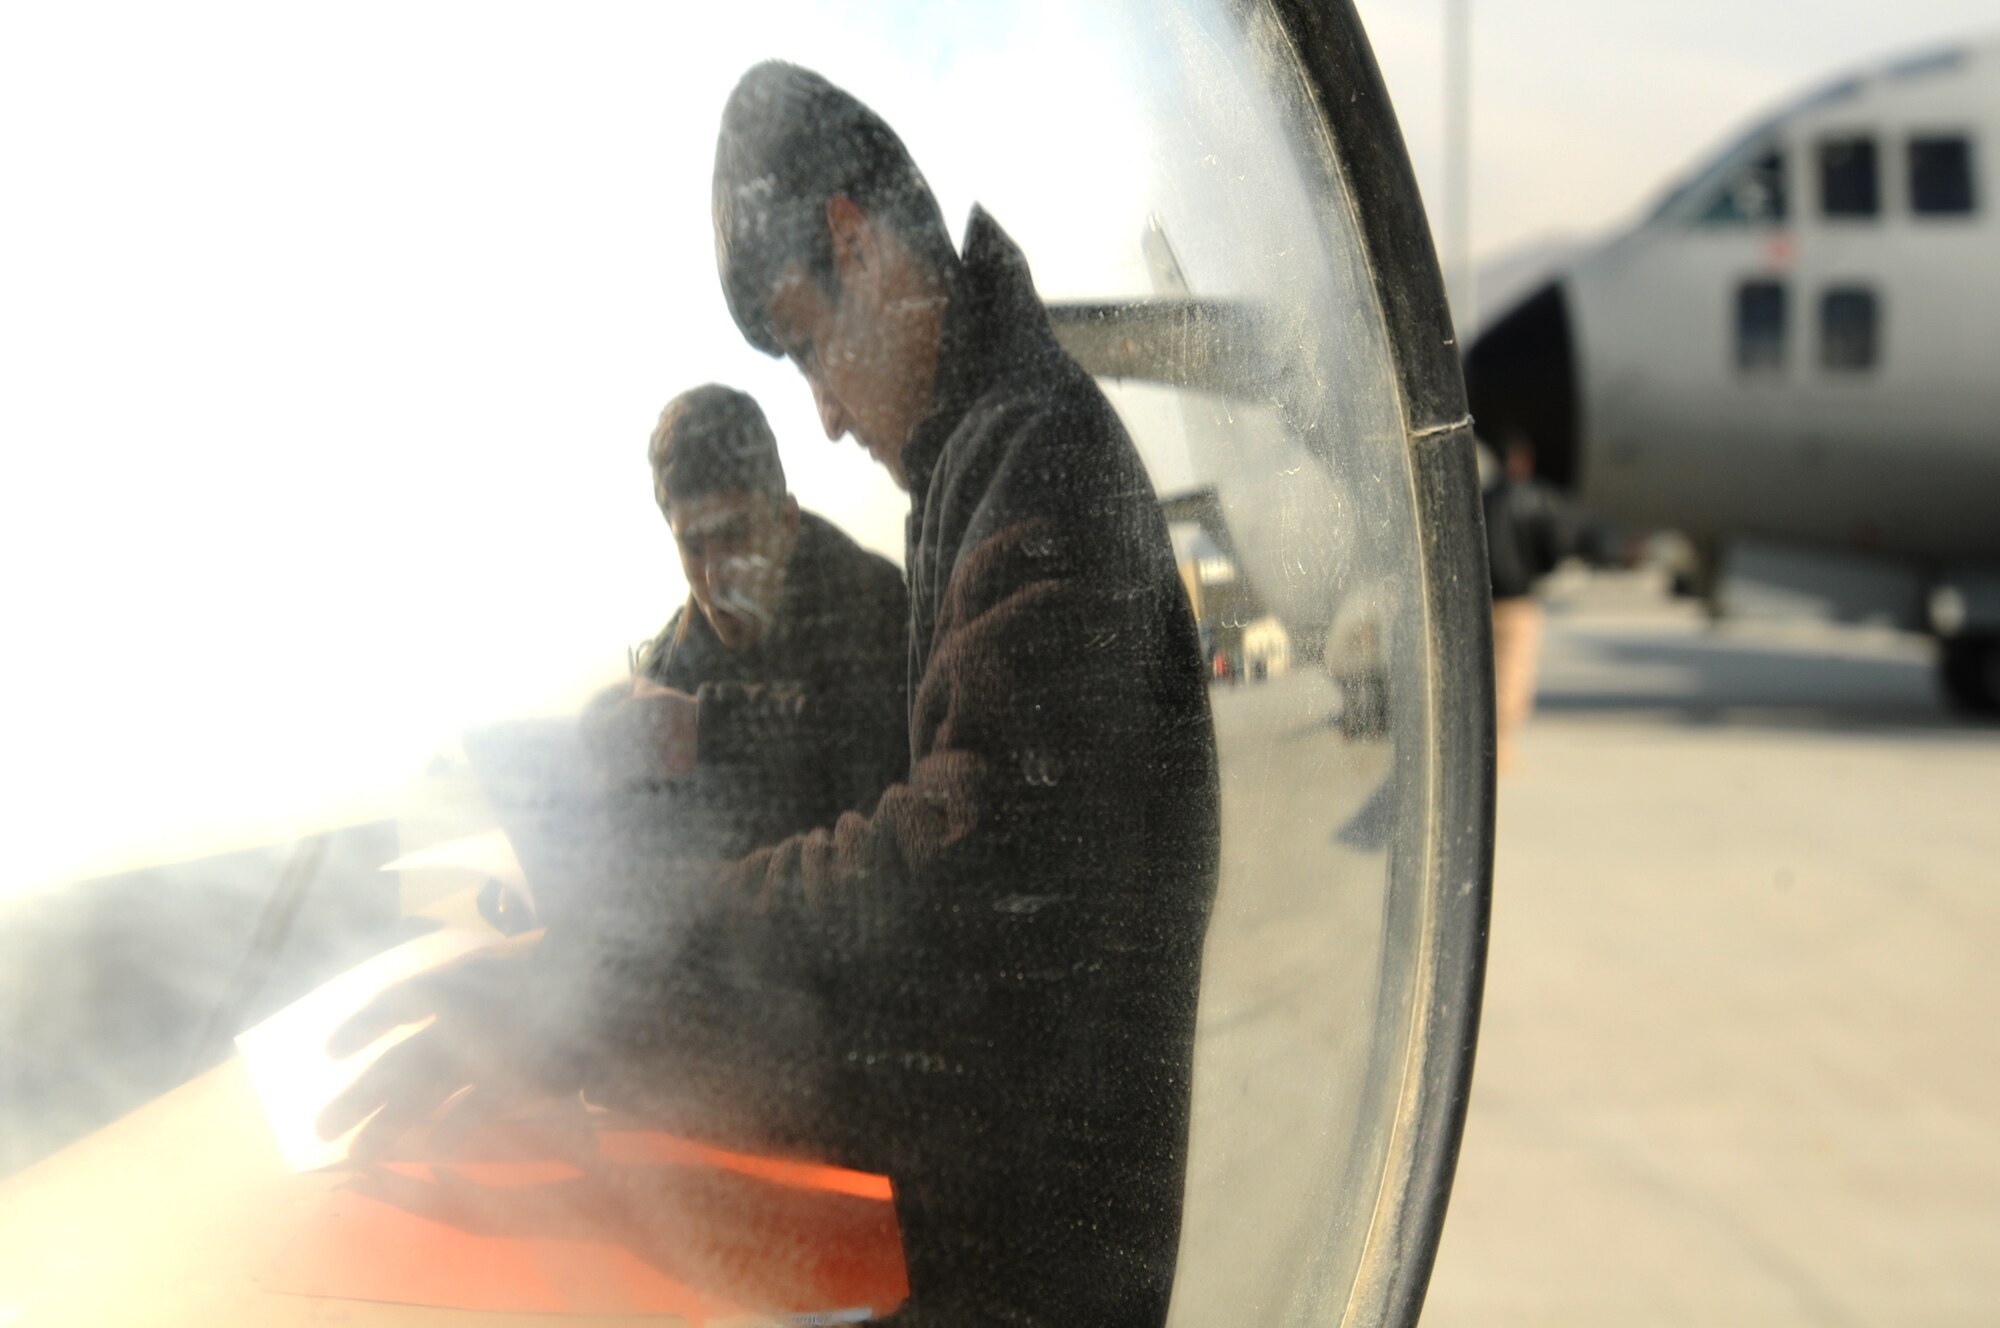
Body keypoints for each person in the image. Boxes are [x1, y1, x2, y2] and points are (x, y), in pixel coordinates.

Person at [325, 63, 1219, 1328]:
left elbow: (952, 876)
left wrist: (592, 991)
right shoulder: (987, 464)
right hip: (974, 1227)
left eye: (807, 342)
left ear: (855, 240)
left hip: (1026, 1282)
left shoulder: (1038, 466)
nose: (831, 416)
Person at [578, 383, 909, 870]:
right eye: (693, 546)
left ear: (786, 523)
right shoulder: (673, 660)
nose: (713, 575)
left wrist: (709, 729)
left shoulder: (877, 606)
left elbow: (882, 750)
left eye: (735, 535)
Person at [1483, 432, 1575, 770]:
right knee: (1512, 672)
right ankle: (1500, 746)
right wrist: (1535, 570)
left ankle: (1484, 739)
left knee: (1485, 672)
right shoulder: (1539, 498)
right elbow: (1558, 545)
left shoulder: (1483, 498)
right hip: (1519, 597)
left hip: (1484, 599)